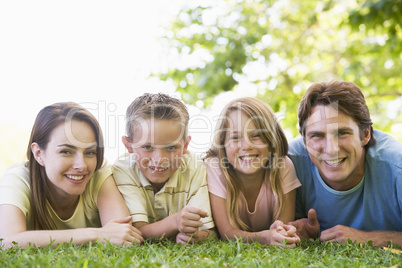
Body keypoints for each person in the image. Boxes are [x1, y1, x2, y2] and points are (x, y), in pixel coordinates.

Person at [0, 102, 143, 249]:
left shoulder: (99, 175)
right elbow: (7, 240)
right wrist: (97, 235)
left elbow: (124, 235)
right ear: (38, 154)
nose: (81, 165)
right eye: (66, 151)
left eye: (90, 152)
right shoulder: (18, 179)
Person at [288, 81, 402, 247]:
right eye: (317, 135)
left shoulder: (397, 167)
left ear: (365, 134)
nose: (332, 149)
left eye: (342, 133)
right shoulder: (289, 163)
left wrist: (368, 238)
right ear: (304, 141)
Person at [112, 93, 215, 244]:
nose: (159, 159)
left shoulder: (194, 167)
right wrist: (175, 222)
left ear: (185, 145)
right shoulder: (123, 169)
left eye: (171, 147)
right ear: (129, 145)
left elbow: (210, 231)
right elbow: (136, 232)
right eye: (147, 147)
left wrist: (195, 237)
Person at [204, 97, 301, 247]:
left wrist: (281, 231)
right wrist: (265, 237)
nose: (246, 146)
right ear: (222, 144)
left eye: (256, 135)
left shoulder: (282, 166)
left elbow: (283, 226)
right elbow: (227, 233)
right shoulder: (215, 168)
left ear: (272, 139)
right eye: (235, 137)